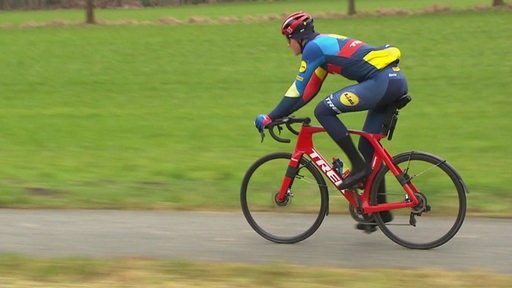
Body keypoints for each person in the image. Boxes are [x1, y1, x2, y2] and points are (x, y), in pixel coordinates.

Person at [255, 11, 408, 231]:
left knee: (324, 111)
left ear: (297, 37)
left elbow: (297, 90)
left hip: (381, 82)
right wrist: (278, 115)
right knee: (367, 144)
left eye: (287, 40)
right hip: (392, 80)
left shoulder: (313, 49)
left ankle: (357, 168)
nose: (288, 45)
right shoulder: (320, 48)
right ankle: (380, 212)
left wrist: (269, 117)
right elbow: (308, 92)